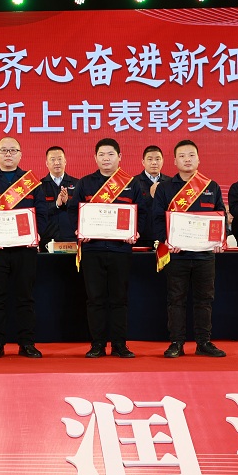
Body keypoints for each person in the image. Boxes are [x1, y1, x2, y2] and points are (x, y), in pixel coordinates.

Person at [68, 138, 146, 359]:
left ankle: (120, 345)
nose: (106, 158)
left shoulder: (131, 184)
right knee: (95, 299)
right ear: (95, 158)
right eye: (101, 154)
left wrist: (135, 231)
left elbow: (142, 213)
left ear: (119, 157)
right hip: (92, 250)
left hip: (121, 250)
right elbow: (73, 211)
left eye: (110, 154)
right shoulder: (85, 183)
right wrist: (79, 230)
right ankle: (98, 345)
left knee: (119, 299)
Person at [0, 137, 46, 359]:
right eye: (3, 150)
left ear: (20, 154)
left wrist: (35, 232)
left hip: (24, 249)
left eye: (13, 150)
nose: (8, 154)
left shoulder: (32, 182)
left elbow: (42, 214)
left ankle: (27, 343)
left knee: (26, 297)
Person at [154, 139, 227, 358]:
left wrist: (219, 241)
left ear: (198, 159)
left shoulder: (211, 186)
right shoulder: (165, 188)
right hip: (177, 255)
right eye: (182, 156)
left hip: (205, 255)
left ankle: (203, 342)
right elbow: (157, 220)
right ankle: (176, 343)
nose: (187, 159)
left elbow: (220, 217)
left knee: (204, 299)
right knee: (176, 299)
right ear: (175, 161)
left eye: (191, 155)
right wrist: (168, 241)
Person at [39, 146, 78, 250]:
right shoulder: (39, 186)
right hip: (47, 239)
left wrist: (67, 202)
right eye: (52, 159)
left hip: (71, 239)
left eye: (60, 159)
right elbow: (39, 211)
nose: (57, 163)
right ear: (47, 163)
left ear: (65, 161)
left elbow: (81, 210)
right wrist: (56, 204)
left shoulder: (77, 184)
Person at [136, 145, 171, 248]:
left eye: (157, 159)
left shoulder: (171, 182)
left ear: (162, 161)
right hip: (142, 237)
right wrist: (150, 196)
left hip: (166, 238)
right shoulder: (134, 182)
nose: (154, 162)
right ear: (143, 162)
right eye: (150, 159)